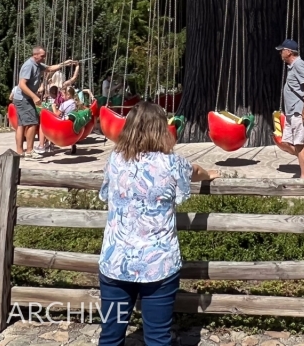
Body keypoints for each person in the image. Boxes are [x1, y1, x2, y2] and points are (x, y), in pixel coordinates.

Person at [98, 101, 217, 346]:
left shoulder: (115, 161)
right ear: (161, 129)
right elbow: (194, 170)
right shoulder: (173, 164)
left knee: (110, 335)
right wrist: (210, 175)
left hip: (115, 261)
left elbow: (104, 192)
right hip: (158, 264)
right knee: (157, 337)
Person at [12, 46, 76, 159]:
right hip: (23, 98)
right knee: (33, 122)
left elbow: (50, 68)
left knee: (21, 125)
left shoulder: (37, 64)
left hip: (23, 98)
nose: (44, 58)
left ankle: (20, 151)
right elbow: (22, 84)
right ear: (35, 55)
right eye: (42, 56)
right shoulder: (29, 66)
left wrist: (65, 64)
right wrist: (34, 97)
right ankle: (29, 151)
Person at [274, 39, 304, 179]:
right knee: (286, 143)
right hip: (291, 112)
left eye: (282, 50)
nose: (280, 53)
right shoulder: (292, 66)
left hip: (298, 111)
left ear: (289, 52)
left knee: (299, 144)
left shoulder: (299, 64)